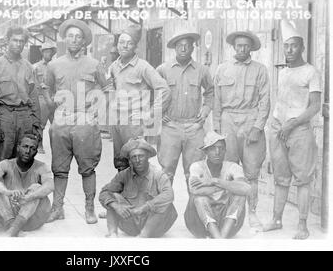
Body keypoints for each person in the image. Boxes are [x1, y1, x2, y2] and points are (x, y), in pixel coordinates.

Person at [43, 19, 109, 224]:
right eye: (70, 36)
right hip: (61, 122)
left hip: (85, 123)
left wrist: (95, 114)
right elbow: (47, 90)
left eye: (78, 37)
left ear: (84, 42)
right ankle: (57, 208)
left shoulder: (94, 64)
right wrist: (55, 114)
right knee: (59, 168)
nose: (74, 40)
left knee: (87, 167)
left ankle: (89, 208)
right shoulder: (54, 64)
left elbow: (107, 90)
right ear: (65, 39)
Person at [263, 20, 322, 240]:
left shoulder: (311, 72)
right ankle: (276, 219)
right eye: (286, 46)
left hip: (299, 131)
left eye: (294, 45)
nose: (289, 50)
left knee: (303, 179)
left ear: (302, 48)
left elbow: (315, 106)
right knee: (280, 178)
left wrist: (293, 123)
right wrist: (276, 123)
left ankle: (302, 224)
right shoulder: (283, 72)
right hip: (278, 130)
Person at [213, 30, 270, 229]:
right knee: (227, 170)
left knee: (251, 172)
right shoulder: (222, 69)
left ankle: (252, 213)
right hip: (228, 121)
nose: (242, 48)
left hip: (250, 120)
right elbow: (217, 102)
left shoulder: (260, 70)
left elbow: (265, 101)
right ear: (234, 46)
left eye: (246, 45)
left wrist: (257, 127)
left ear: (251, 48)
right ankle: (227, 212)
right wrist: (216, 130)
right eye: (239, 45)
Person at [156, 32, 214, 190]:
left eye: (187, 45)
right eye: (180, 45)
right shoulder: (163, 69)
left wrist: (205, 113)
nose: (183, 48)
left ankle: (194, 214)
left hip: (194, 128)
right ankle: (164, 213)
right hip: (170, 128)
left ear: (193, 48)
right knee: (166, 173)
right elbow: (149, 92)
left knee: (195, 173)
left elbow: (210, 92)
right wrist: (159, 114)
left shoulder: (202, 70)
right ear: (174, 48)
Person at [109, 24, 171, 172]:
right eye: (121, 42)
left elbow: (164, 89)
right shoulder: (113, 67)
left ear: (135, 47)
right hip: (117, 123)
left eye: (129, 43)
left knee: (137, 163)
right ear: (117, 45)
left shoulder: (143, 67)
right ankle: (124, 194)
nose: (124, 46)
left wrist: (149, 114)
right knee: (120, 163)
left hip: (135, 124)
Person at [99, 137, 177, 238]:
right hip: (131, 223)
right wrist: (117, 206)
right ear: (130, 160)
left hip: (154, 225)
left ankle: (143, 237)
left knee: (166, 203)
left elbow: (168, 195)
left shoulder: (158, 174)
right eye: (133, 157)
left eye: (141, 156)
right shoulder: (124, 175)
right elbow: (104, 192)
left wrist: (145, 207)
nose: (137, 160)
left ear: (148, 156)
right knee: (111, 197)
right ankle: (112, 234)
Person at [0, 26, 42, 163]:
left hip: (25, 117)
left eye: (21, 41)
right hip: (5, 116)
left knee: (23, 159)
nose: (18, 44)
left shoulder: (29, 67)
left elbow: (34, 99)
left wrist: (36, 125)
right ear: (7, 41)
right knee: (1, 159)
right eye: (14, 40)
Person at [0, 132, 54, 237]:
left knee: (36, 187)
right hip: (9, 214)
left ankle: (13, 230)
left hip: (31, 217)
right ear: (18, 147)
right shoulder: (6, 164)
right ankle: (13, 227)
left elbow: (50, 185)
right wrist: (7, 192)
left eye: (32, 148)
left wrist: (29, 197)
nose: (28, 151)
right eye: (25, 146)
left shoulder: (41, 167)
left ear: (36, 151)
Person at [184, 131, 251, 239]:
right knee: (199, 198)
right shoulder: (197, 167)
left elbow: (246, 189)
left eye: (221, 148)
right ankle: (218, 239)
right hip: (200, 224)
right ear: (205, 151)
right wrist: (229, 187)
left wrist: (215, 181)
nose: (217, 152)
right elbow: (195, 190)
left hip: (227, 222)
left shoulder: (233, 167)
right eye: (212, 148)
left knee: (240, 195)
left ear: (225, 151)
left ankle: (221, 239)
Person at [32, 42, 57, 153]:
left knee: (56, 124)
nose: (49, 54)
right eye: (46, 51)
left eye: (50, 52)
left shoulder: (56, 66)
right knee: (40, 125)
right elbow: (33, 83)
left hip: (54, 98)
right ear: (42, 53)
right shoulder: (36, 67)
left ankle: (56, 147)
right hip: (41, 98)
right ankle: (40, 145)